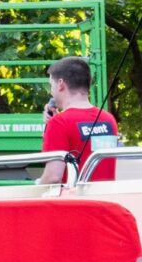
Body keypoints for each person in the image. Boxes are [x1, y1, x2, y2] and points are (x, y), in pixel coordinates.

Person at [41, 58, 121, 186]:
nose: (51, 92)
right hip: (105, 196)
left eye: (52, 85)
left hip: (75, 198)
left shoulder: (59, 123)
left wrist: (36, 187)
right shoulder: (108, 119)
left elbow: (53, 177)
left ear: (61, 84)